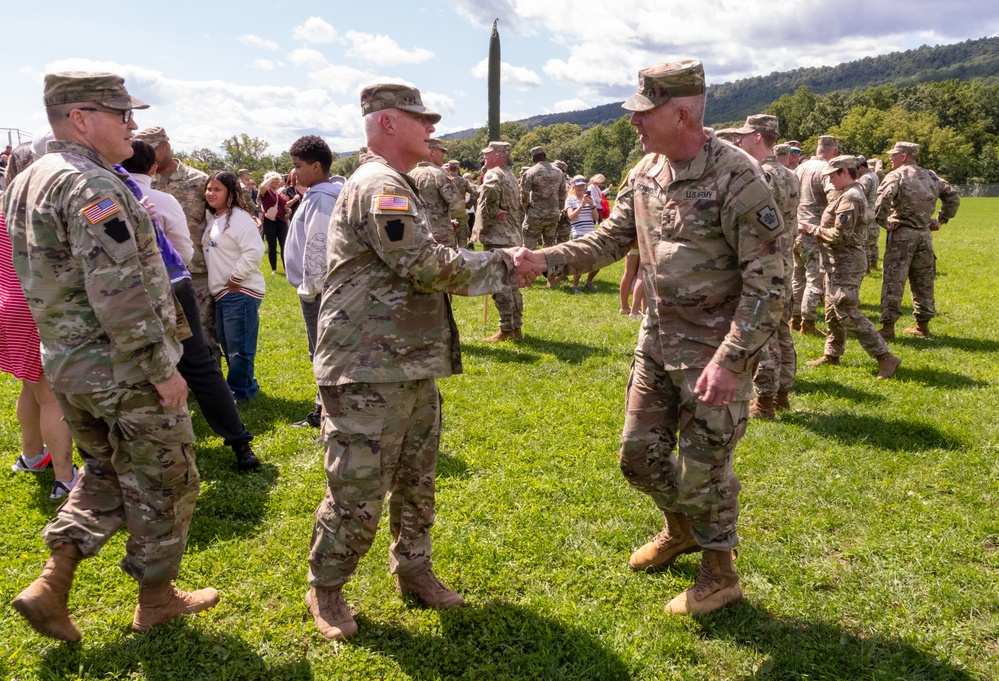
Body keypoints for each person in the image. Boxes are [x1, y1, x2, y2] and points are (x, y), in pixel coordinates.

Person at [514, 59, 784, 617]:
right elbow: (611, 239)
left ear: (682, 112)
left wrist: (733, 360)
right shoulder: (645, 171)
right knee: (638, 457)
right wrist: (543, 259)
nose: (634, 123)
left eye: (644, 113)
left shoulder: (737, 177)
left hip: (715, 352)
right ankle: (679, 530)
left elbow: (770, 281)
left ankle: (720, 571)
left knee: (704, 466)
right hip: (658, 341)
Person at [306, 83, 529, 642]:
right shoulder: (380, 186)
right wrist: (507, 263)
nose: (431, 127)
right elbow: (427, 266)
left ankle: (414, 568)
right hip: (366, 367)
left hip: (404, 362)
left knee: (415, 478)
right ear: (386, 123)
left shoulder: (394, 182)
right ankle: (326, 587)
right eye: (419, 118)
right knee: (357, 488)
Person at [4, 71, 218, 643]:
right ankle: (157, 600)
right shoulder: (91, 185)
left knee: (103, 473)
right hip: (123, 368)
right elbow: (119, 289)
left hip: (73, 367)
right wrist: (160, 368)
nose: (133, 125)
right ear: (80, 117)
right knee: (167, 482)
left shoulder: (29, 178)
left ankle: (52, 583)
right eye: (121, 113)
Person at [121, 141, 260, 471]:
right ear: (153, 168)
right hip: (173, 284)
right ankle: (239, 442)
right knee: (201, 365)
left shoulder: (108, 195)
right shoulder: (162, 200)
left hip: (127, 293)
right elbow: (183, 251)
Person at [1, 147, 77, 498]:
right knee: (51, 396)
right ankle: (64, 476)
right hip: (35, 305)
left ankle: (32, 455)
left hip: (7, 306)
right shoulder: (38, 211)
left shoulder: (3, 207)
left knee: (29, 386)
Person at [799, 156, 901, 378]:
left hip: (846, 263)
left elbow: (840, 235)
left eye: (832, 175)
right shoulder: (844, 195)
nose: (830, 180)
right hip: (835, 262)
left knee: (845, 310)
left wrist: (812, 230)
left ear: (845, 172)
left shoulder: (851, 198)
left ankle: (885, 356)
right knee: (832, 312)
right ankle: (832, 354)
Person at [734, 114, 800, 418]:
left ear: (757, 137)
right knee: (781, 329)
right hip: (786, 260)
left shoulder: (759, 174)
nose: (739, 141)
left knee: (764, 333)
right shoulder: (789, 174)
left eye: (744, 136)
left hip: (762, 264)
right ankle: (783, 391)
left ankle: (765, 401)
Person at [135, 126, 220, 361]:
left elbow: (226, 213)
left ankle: (212, 382)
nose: (145, 154)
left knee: (203, 331)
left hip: (196, 270)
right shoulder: (137, 182)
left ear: (166, 147)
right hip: (154, 272)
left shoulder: (199, 181)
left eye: (150, 149)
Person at [285, 134, 343, 429]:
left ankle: (330, 416)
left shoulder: (321, 199)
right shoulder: (325, 193)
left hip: (318, 290)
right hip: (320, 288)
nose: (294, 171)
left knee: (323, 352)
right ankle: (324, 410)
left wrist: (310, 289)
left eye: (298, 165)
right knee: (323, 351)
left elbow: (318, 246)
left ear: (316, 166)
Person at [875, 142, 960, 340]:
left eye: (893, 154)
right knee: (924, 281)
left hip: (902, 234)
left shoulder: (896, 175)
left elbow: (882, 200)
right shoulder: (931, 175)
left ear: (904, 156)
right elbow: (953, 197)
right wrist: (941, 220)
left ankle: (888, 328)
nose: (890, 158)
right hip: (924, 235)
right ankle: (923, 326)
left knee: (894, 281)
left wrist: (883, 222)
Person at [203, 171, 265, 402]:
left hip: (240, 291)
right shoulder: (216, 218)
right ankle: (245, 384)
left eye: (217, 189)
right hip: (223, 293)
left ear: (230, 193)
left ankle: (241, 391)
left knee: (240, 347)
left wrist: (236, 278)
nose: (211, 193)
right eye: (209, 189)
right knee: (230, 345)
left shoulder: (238, 218)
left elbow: (254, 250)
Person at [474, 140, 524, 342]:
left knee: (499, 284)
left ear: (496, 156)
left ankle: (506, 330)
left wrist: (491, 213)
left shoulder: (493, 174)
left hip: (498, 236)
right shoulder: (510, 175)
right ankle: (516, 327)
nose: (484, 157)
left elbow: (490, 195)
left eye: (487, 154)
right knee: (512, 285)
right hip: (511, 236)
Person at [793, 135, 838, 336]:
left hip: (795, 228)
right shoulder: (825, 171)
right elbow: (834, 199)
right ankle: (808, 323)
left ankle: (794, 318)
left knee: (798, 276)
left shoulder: (800, 168)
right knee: (815, 279)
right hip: (814, 231)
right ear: (835, 152)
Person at [409, 139, 462, 248]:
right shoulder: (440, 174)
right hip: (441, 236)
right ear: (432, 152)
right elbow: (457, 205)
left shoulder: (409, 174)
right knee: (445, 264)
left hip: (418, 234)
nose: (443, 154)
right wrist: (460, 222)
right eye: (441, 151)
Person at [520, 145, 567, 250]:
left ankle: (530, 266)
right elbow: (562, 193)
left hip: (535, 214)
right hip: (553, 214)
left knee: (529, 246)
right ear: (545, 156)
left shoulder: (531, 172)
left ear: (533, 159)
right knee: (550, 247)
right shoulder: (559, 172)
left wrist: (526, 207)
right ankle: (550, 266)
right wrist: (559, 208)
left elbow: (524, 194)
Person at [565, 175, 600, 293]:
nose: (580, 188)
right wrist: (581, 205)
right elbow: (571, 217)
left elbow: (596, 218)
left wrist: (591, 205)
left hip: (591, 231)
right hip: (578, 233)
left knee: (598, 259)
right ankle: (575, 286)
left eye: (582, 186)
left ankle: (588, 282)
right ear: (573, 186)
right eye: (578, 186)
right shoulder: (570, 199)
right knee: (580, 261)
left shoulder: (591, 199)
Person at [855, 156, 880, 273]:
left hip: (866, 211)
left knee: (864, 240)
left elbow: (860, 194)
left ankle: (867, 267)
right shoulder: (873, 175)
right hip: (874, 210)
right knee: (872, 239)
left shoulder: (865, 178)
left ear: (860, 167)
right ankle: (874, 263)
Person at [447, 160, 473, 248]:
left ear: (448, 168)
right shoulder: (464, 181)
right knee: (462, 243)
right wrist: (468, 205)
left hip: (447, 213)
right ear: (458, 169)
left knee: (448, 243)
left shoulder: (444, 180)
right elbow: (475, 192)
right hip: (461, 212)